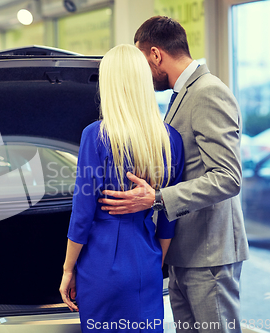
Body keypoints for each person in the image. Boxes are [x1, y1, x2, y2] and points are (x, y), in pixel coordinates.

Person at [98, 16, 249, 333]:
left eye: (142, 63)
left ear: (155, 54)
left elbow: (228, 177)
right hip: (185, 251)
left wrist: (156, 198)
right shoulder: (181, 96)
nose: (142, 75)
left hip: (209, 254)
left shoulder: (207, 92)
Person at [59, 44, 184, 332]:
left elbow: (82, 214)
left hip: (101, 264)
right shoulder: (170, 139)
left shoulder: (96, 136)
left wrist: (68, 270)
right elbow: (169, 215)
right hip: (146, 257)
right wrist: (155, 260)